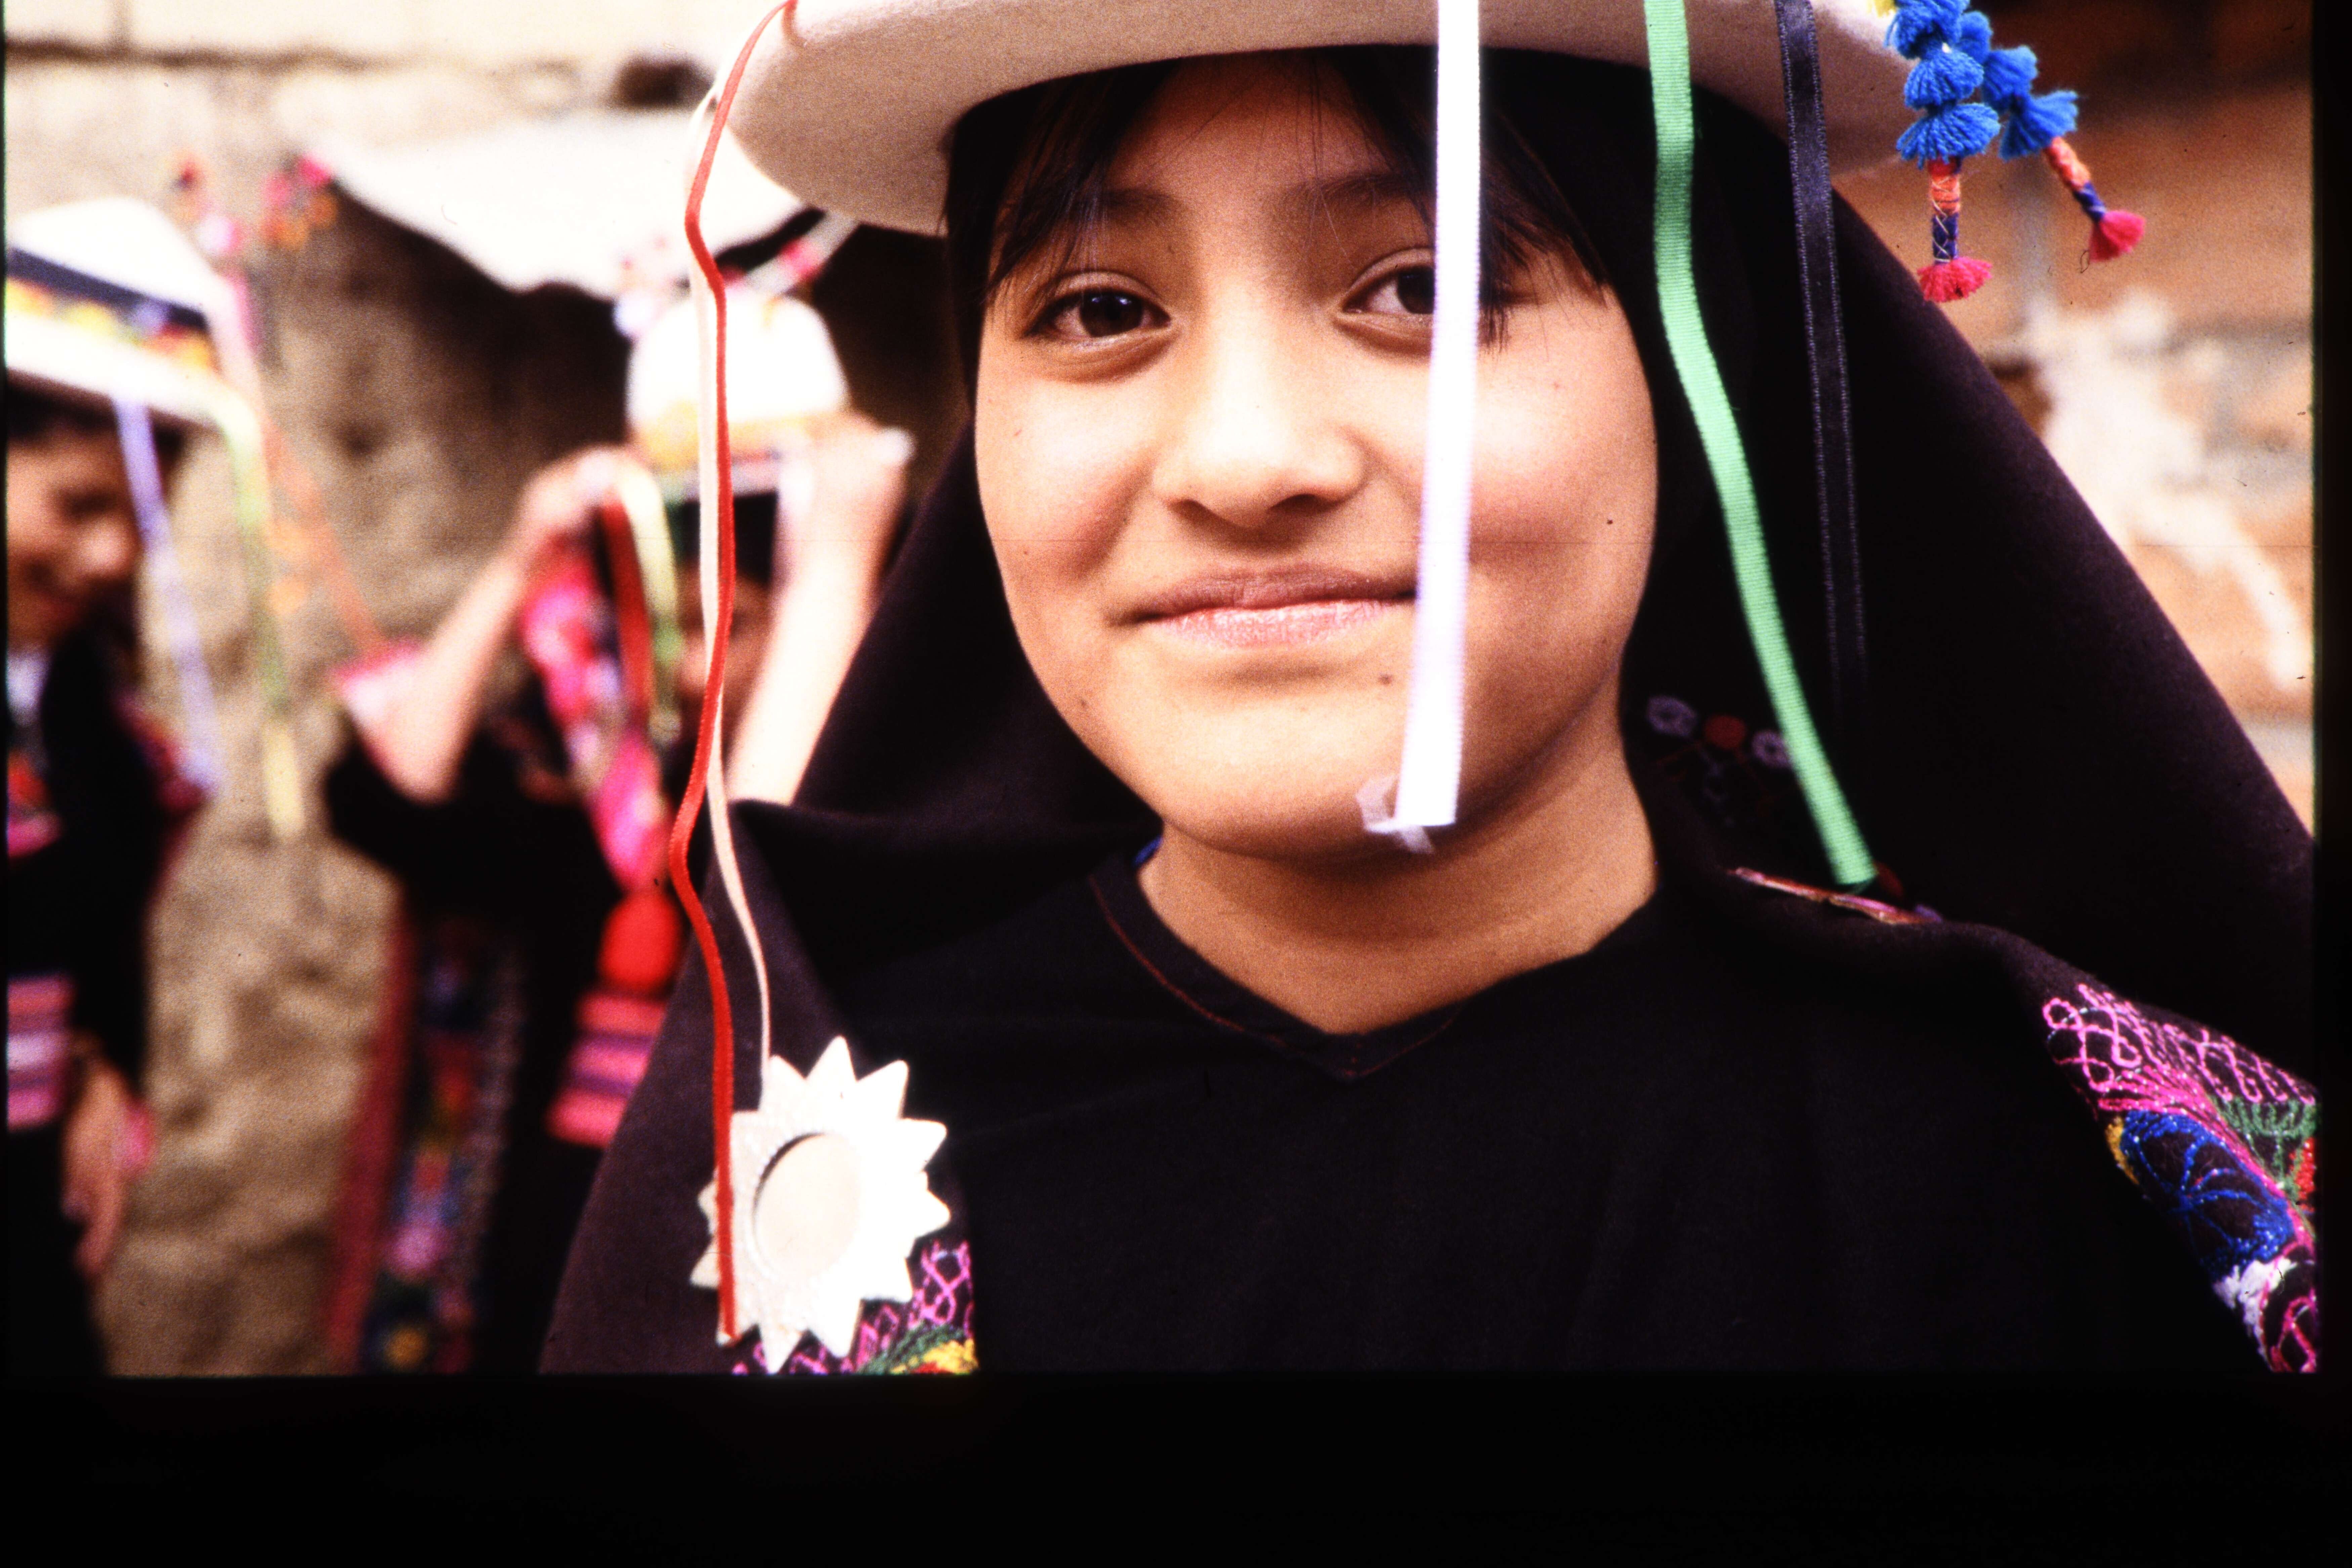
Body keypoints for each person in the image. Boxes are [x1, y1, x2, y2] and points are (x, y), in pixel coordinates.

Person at [547, 0, 2315, 1373]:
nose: (1245, 460)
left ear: (1693, 380)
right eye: (1096, 309)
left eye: (1420, 285)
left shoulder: (2039, 1187)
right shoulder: (785, 1161)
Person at [318, 287, 911, 1373]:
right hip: (560, 1212)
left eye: (744, 616)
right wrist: (518, 561)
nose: (691, 664)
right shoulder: (594, 771)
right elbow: (392, 798)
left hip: (769, 1224)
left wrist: (833, 575)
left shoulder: (886, 760)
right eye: (669, 616)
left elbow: (751, 871)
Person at [7, 201, 222, 1374]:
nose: (111, 559)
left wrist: (100, 1069)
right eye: (78, 505)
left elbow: (91, 929)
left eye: (138, 520)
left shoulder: (84, 707)